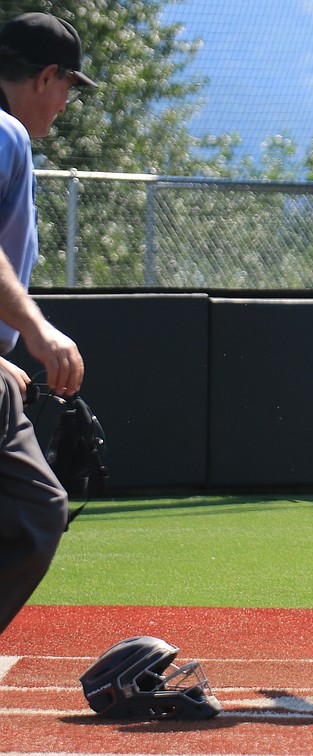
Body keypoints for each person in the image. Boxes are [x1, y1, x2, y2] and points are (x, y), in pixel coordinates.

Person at [0, 11, 92, 635]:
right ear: (47, 76)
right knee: (36, 510)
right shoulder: (6, 132)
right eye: (68, 86)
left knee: (34, 510)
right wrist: (36, 329)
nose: (65, 102)